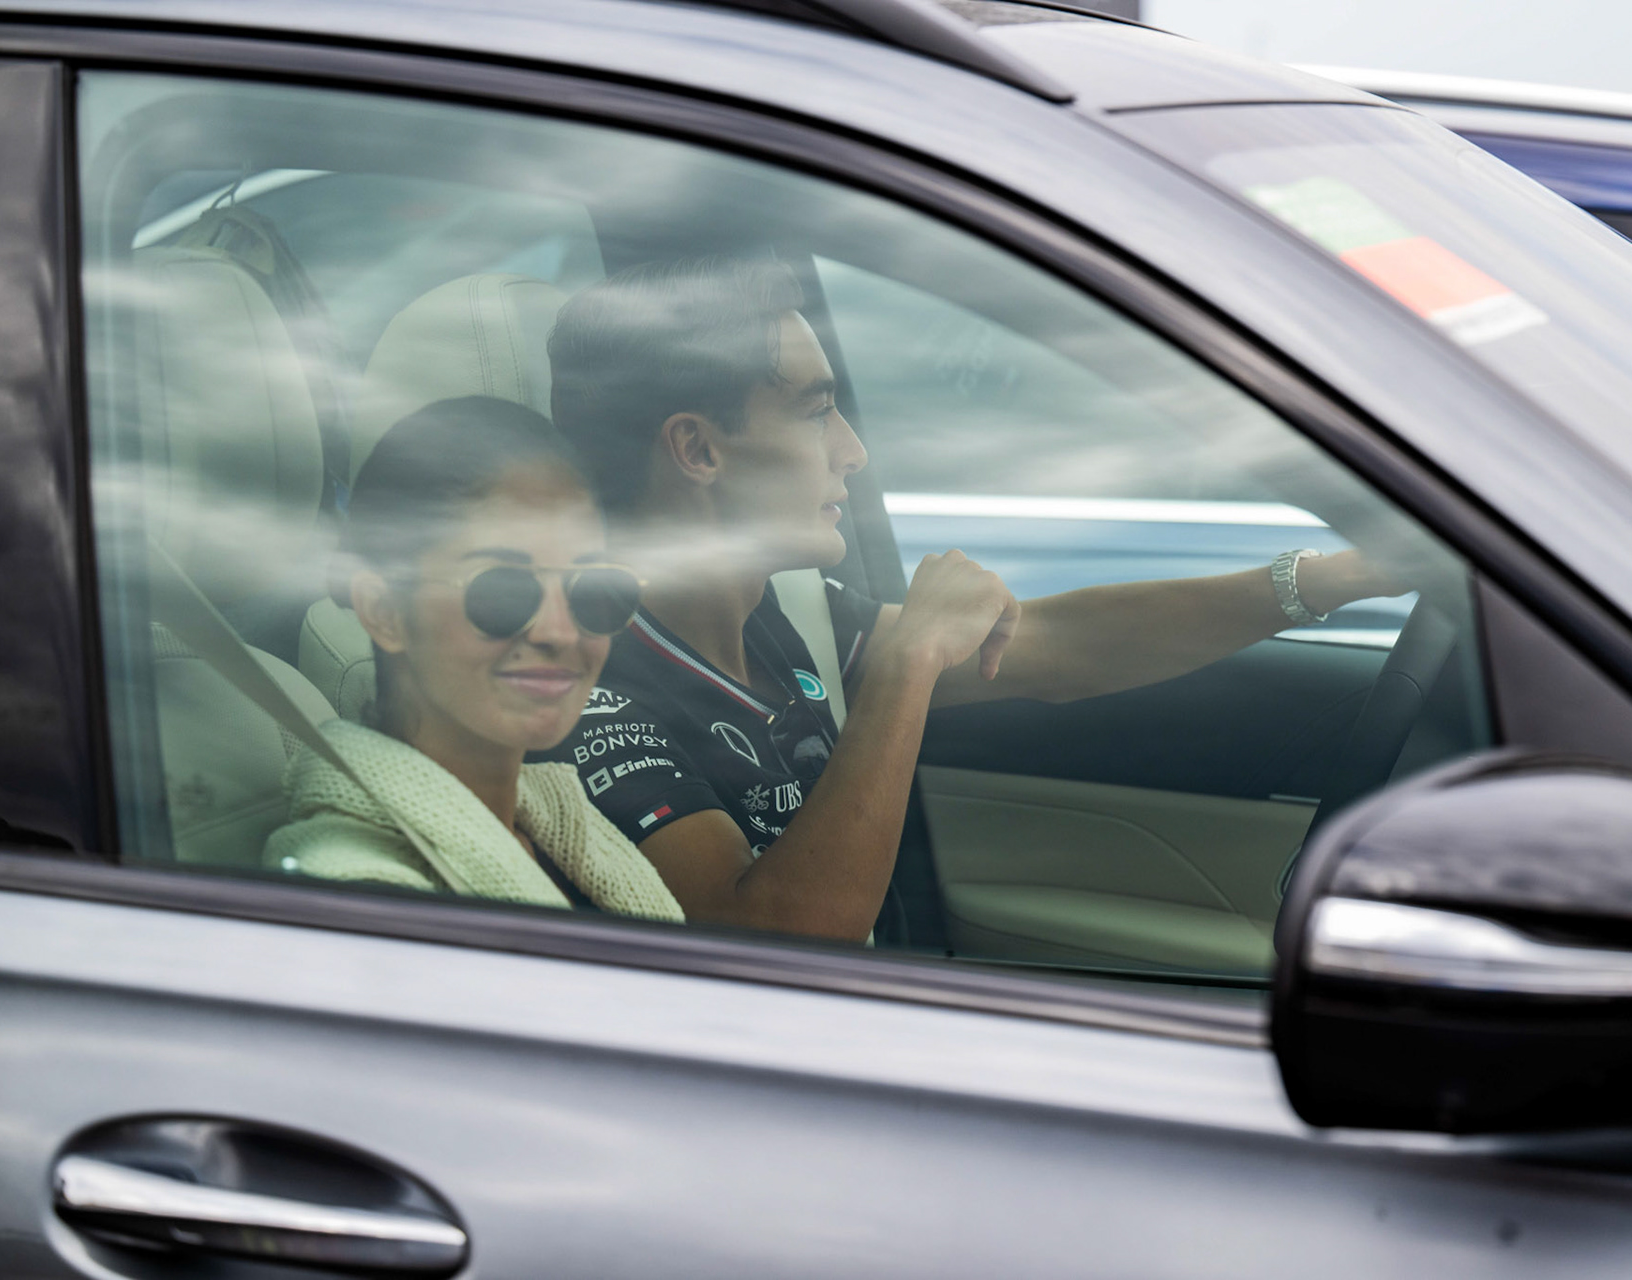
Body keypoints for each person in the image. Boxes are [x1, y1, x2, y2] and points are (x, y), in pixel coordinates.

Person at [537, 257, 1410, 944]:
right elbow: (772, 933)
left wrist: (1328, 582)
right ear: (697, 450)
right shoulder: (584, 675)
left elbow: (1065, 649)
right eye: (814, 413)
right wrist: (910, 660)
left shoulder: (782, 612)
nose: (852, 453)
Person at [263, 396, 684, 922]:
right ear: (385, 610)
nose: (560, 631)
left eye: (594, 589)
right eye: (502, 592)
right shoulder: (362, 902)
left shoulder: (571, 837)